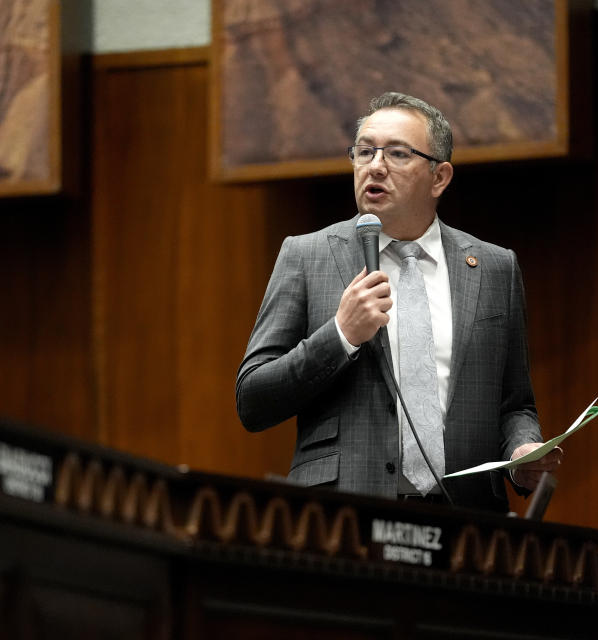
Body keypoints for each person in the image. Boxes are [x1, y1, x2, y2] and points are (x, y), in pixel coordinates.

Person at [235, 92, 561, 512]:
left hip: (467, 519)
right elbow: (253, 400)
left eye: (397, 153)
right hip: (344, 518)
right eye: (365, 151)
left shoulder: (495, 268)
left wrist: (521, 453)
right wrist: (340, 336)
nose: (375, 165)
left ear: (439, 177)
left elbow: (515, 403)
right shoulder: (306, 255)